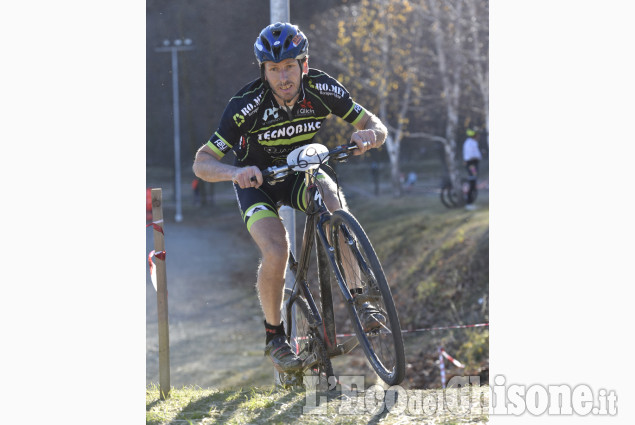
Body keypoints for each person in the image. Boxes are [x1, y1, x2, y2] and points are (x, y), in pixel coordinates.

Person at [192, 22, 388, 373]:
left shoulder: (322, 88)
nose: (283, 77)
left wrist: (370, 135)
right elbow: (201, 162)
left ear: (304, 66)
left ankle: (362, 299)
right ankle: (274, 336)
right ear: (263, 72)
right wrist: (234, 173)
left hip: (303, 173)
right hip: (257, 182)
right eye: (273, 69)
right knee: (277, 249)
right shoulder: (245, 105)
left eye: (289, 67)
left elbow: (374, 122)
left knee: (332, 199)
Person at [462, 128, 482, 210]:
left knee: (473, 182)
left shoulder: (472, 142)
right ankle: (469, 203)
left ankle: (470, 203)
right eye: (477, 134)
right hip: (471, 164)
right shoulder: (470, 143)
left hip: (473, 164)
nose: (478, 136)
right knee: (472, 183)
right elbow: (471, 155)